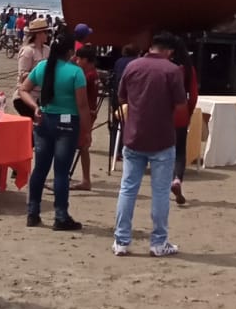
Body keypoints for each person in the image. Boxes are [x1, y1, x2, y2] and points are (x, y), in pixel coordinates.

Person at [113, 32, 186, 257]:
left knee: (128, 189)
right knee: (160, 192)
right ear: (169, 51)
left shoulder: (133, 66)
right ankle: (158, 242)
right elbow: (181, 105)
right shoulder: (172, 71)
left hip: (134, 136)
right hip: (162, 138)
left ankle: (121, 241)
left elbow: (121, 97)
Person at [18, 31, 90, 231]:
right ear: (70, 52)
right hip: (67, 123)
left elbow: (23, 89)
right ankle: (61, 215)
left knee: (40, 168)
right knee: (61, 172)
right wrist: (87, 131)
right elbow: (82, 105)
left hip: (44, 120)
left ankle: (33, 212)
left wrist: (35, 107)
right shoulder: (75, 72)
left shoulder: (43, 66)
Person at [170, 40, 199, 207]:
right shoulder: (188, 69)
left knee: (163, 151)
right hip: (181, 113)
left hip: (162, 114)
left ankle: (163, 183)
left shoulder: (165, 67)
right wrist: (189, 112)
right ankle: (177, 179)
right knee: (180, 151)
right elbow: (193, 96)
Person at [71, 44, 99, 190]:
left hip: (85, 114)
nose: (77, 61)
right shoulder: (93, 73)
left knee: (82, 146)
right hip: (89, 112)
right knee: (82, 146)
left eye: (79, 59)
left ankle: (86, 180)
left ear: (86, 60)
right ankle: (85, 179)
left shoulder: (87, 75)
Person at [13, 17, 51, 119]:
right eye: (45, 32)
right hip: (26, 97)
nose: (48, 35)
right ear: (38, 34)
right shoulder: (28, 51)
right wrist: (41, 74)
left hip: (41, 97)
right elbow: (22, 76)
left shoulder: (47, 50)